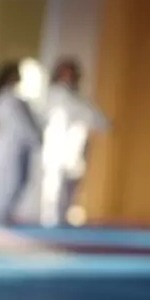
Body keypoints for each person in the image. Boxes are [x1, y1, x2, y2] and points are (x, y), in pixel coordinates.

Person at [41, 57, 109, 227]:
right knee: (55, 188)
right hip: (57, 148)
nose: (68, 77)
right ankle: (51, 222)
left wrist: (104, 123)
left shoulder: (77, 97)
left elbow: (95, 118)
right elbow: (87, 114)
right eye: (65, 73)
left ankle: (63, 220)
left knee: (72, 187)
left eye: (71, 73)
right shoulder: (57, 94)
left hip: (75, 148)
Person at [0, 61, 42, 226]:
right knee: (14, 182)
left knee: (20, 181)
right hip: (15, 145)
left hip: (19, 145)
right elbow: (21, 124)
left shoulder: (13, 98)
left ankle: (7, 214)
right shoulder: (8, 100)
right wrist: (35, 138)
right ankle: (3, 214)